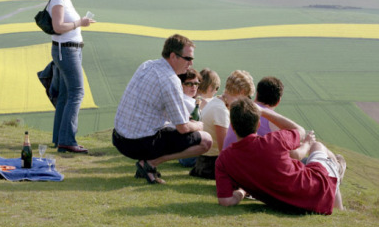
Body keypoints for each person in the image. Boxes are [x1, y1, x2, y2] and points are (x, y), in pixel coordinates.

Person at [215, 97, 346, 214]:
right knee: (318, 146)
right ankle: (338, 167)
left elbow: (225, 201)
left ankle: (337, 170)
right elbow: (300, 131)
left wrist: (242, 192)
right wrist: (264, 112)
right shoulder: (274, 140)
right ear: (258, 124)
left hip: (287, 206)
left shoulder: (224, 160)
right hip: (317, 190)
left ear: (232, 125)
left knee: (319, 167)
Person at [112, 34, 212, 184]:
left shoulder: (147, 65)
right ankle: (150, 164)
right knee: (206, 140)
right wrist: (198, 125)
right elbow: (183, 127)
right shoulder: (170, 80)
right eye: (188, 58)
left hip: (118, 137)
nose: (191, 63)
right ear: (173, 56)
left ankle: (146, 162)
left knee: (167, 127)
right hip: (137, 144)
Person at [47, 0, 95, 153]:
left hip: (69, 49)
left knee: (66, 95)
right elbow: (58, 27)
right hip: (66, 50)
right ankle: (67, 140)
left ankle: (60, 138)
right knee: (77, 93)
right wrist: (79, 23)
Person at [190, 69, 254, 179]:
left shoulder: (217, 102)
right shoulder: (221, 111)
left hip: (204, 161)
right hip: (210, 165)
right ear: (242, 92)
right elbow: (224, 150)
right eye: (247, 97)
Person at [221, 75, 284, 151]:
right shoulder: (276, 123)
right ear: (278, 101)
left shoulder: (240, 109)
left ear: (257, 94)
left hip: (227, 158)